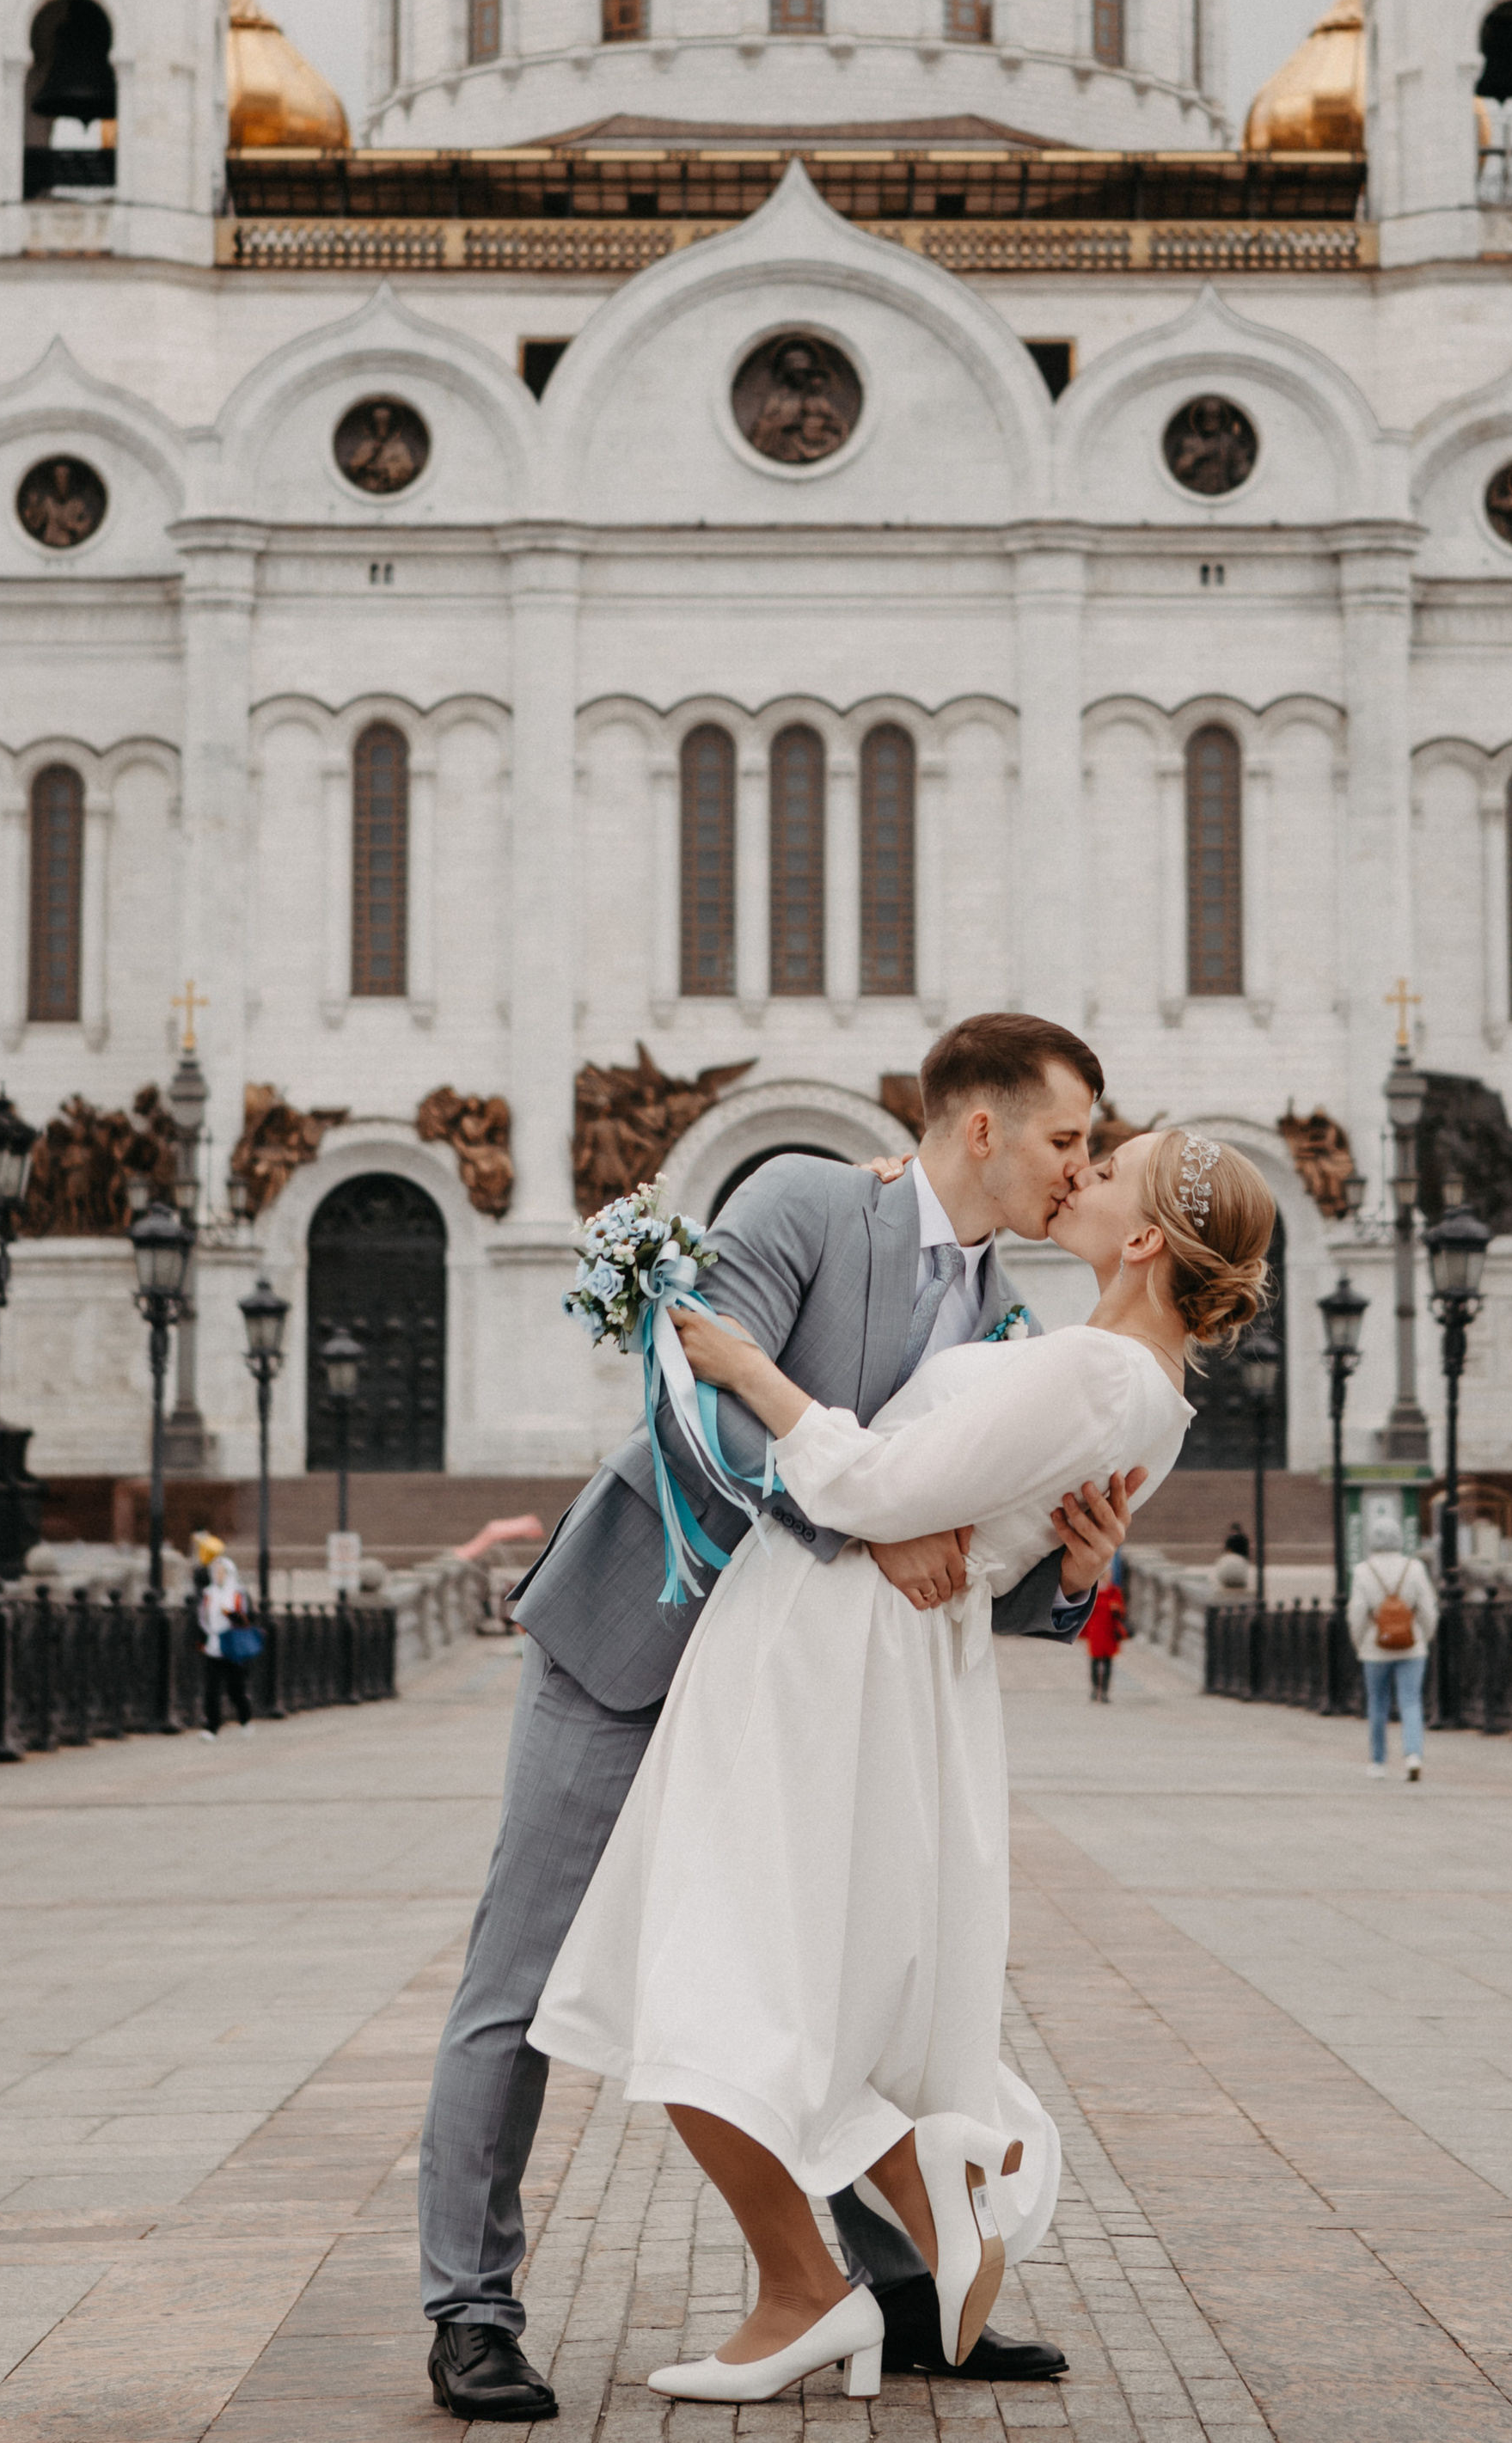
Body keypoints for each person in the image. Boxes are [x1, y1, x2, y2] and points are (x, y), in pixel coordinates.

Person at [419, 1013, 1119, 2422]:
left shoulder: (1005, 1322)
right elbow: (696, 1394)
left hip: (799, 1700)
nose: (1081, 1172)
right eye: (1068, 1140)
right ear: (981, 1128)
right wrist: (863, 1522)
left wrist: (1073, 1570)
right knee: (528, 1976)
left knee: (840, 1982)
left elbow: (975, 1540)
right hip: (642, 1645)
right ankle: (470, 2308)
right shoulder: (807, 1197)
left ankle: (897, 2295)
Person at [533, 1124, 1274, 2405]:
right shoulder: (1124, 1379)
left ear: (1146, 1237)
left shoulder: (1102, 1373)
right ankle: (875, 2231)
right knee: (772, 1975)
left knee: (707, 1971)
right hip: (879, 1659)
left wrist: (748, 1368)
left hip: (832, 1648)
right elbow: (978, 1500)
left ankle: (872, 2239)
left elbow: (874, 1489)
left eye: (1107, 1167)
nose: (1081, 1174)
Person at [1347, 1522, 1437, 1781]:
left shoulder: (1363, 1571)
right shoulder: (1415, 1568)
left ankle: (1378, 1762)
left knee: (1377, 1703)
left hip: (1375, 1647)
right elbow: (1428, 1609)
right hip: (1412, 1646)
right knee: (1411, 1701)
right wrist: (1424, 1637)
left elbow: (1357, 1613)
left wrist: (1360, 1642)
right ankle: (1413, 1755)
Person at [194, 1534, 254, 1736]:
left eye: (222, 1572)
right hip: (214, 1645)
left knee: (235, 1688)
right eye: (216, 1571)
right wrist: (202, 1639)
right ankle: (212, 1727)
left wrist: (231, 1614)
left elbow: (248, 1618)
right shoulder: (209, 1594)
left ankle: (245, 1719)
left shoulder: (238, 1593)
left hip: (233, 1645)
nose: (218, 1575)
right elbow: (202, 1618)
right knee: (211, 1689)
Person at [1081, 1562, 1129, 1701]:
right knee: (1095, 1660)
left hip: (1109, 1630)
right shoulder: (1093, 1591)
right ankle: (1095, 1689)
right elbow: (1087, 1609)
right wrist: (1108, 1606)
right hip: (1096, 1630)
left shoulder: (1114, 1591)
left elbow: (1121, 1610)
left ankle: (1104, 1692)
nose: (1109, 1577)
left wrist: (1115, 1609)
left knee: (1108, 1661)